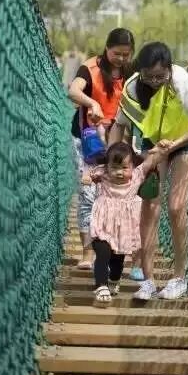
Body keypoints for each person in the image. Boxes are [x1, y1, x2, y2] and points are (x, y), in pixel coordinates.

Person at [108, 42, 188, 301]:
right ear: (139, 71)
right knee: (149, 206)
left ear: (169, 70)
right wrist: (110, 161)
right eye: (149, 76)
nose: (154, 82)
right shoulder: (132, 87)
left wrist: (172, 145)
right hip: (154, 143)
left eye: (160, 76)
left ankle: (179, 278)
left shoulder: (181, 80)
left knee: (176, 206)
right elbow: (118, 127)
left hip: (186, 140)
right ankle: (149, 281)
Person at [68, 28, 140, 273]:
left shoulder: (132, 71)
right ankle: (88, 252)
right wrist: (92, 102)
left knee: (115, 196)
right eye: (117, 53)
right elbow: (73, 90)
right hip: (88, 142)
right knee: (89, 194)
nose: (121, 59)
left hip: (118, 143)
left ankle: (112, 249)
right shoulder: (90, 68)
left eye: (126, 54)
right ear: (107, 47)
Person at [88, 142, 166, 305]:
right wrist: (87, 177)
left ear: (132, 166)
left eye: (124, 168)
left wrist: (160, 149)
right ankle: (101, 286)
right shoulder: (103, 174)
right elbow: (89, 174)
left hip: (123, 228)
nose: (119, 172)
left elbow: (151, 161)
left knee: (117, 261)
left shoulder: (137, 175)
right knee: (102, 252)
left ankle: (114, 280)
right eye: (115, 167)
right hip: (103, 223)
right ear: (107, 166)